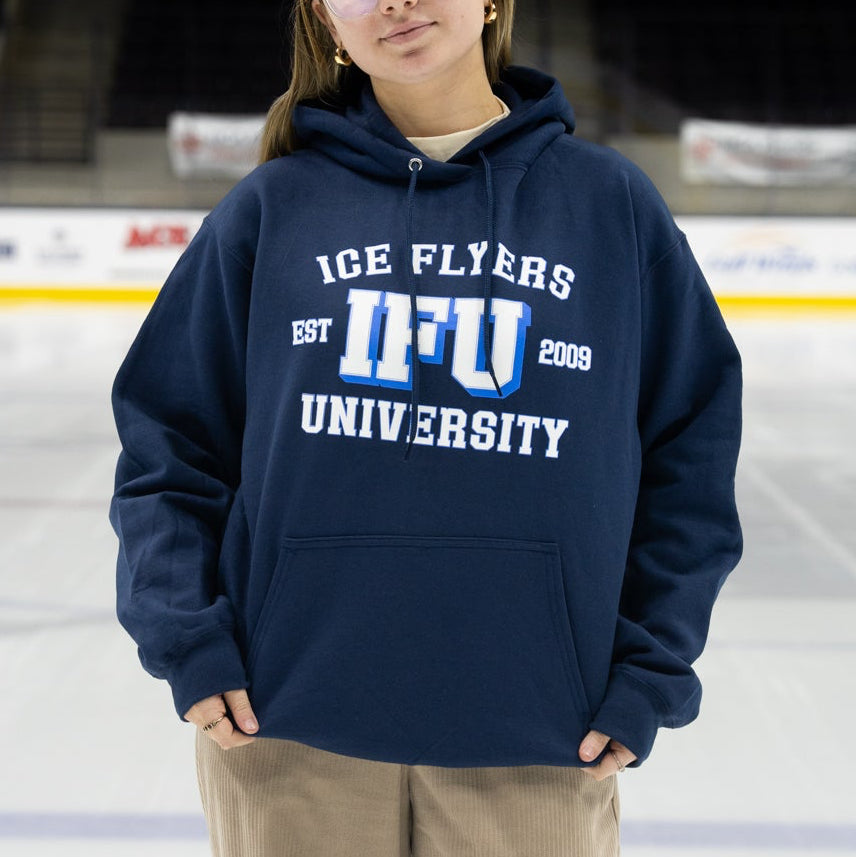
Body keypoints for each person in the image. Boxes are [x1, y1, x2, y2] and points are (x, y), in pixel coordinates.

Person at [109, 0, 743, 854]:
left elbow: (690, 452)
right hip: (284, 727)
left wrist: (652, 665)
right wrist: (189, 639)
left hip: (540, 734)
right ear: (328, 24)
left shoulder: (611, 206)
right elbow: (170, 443)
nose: (395, 3)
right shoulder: (270, 208)